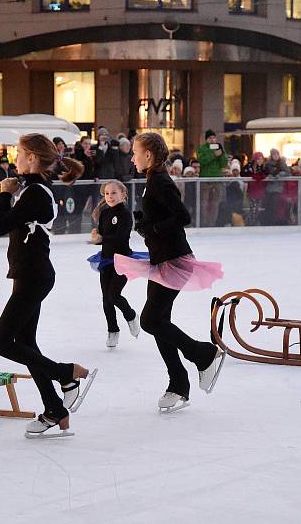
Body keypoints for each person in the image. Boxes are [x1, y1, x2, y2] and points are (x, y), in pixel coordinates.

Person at [0, 133, 94, 438]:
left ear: (33, 158)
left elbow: (0, 225)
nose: (16, 158)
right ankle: (55, 410)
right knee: (25, 345)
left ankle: (66, 374)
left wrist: (3, 194)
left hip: (34, 276)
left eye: (20, 153)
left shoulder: (35, 192)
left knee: (1, 343)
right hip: (28, 274)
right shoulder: (33, 189)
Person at [113, 132, 225, 413]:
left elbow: (182, 217)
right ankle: (178, 383)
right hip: (161, 261)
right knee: (160, 320)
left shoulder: (161, 180)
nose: (132, 157)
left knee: (151, 320)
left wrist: (151, 227)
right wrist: (145, 222)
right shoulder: (153, 180)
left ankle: (203, 354)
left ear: (148, 155)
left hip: (175, 261)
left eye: (135, 152)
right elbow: (162, 216)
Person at [88, 181, 145, 348]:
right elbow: (103, 237)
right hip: (105, 261)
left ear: (123, 195)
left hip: (122, 260)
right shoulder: (104, 214)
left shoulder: (126, 214)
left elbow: (121, 237)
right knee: (106, 300)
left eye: (113, 193)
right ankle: (112, 331)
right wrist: (97, 237)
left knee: (114, 295)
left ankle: (131, 315)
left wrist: (102, 238)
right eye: (107, 193)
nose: (110, 196)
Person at [195, 130, 228, 227]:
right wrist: (214, 155)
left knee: (215, 204)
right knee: (204, 204)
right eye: (210, 138)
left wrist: (221, 154)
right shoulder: (201, 148)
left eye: (214, 137)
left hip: (217, 179)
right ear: (206, 139)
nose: (213, 140)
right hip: (205, 180)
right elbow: (202, 161)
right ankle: (203, 223)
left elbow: (224, 164)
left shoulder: (219, 147)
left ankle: (212, 223)